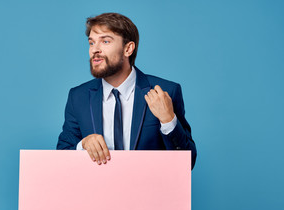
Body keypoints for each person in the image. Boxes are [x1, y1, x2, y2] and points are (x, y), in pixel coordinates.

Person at [57, 13, 197, 169]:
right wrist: (83, 145)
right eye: (91, 43)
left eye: (105, 41)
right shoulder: (78, 97)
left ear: (128, 49)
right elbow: (62, 155)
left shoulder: (166, 92)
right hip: (97, 192)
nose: (94, 50)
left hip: (149, 192)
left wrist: (169, 121)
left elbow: (187, 163)